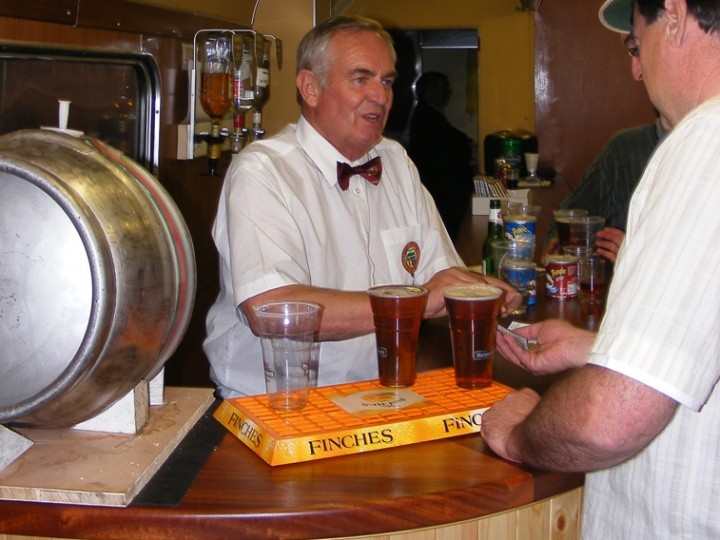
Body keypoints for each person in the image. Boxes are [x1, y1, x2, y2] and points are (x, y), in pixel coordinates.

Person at [481, 0, 720, 538]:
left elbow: (609, 420)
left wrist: (518, 434)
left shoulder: (706, 141)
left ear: (677, 16)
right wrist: (599, 350)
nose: (636, 69)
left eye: (637, 44)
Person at [203, 15, 520, 398]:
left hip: (382, 396)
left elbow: (441, 274)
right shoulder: (262, 171)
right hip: (277, 403)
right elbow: (272, 310)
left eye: (387, 81)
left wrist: (481, 294)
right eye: (361, 78)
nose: (381, 96)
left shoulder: (397, 162)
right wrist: (416, 302)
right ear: (310, 87)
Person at [545, 114, 668, 262]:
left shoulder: (701, 159)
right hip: (606, 281)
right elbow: (567, 218)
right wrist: (561, 244)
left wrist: (638, 258)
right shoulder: (626, 149)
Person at [408, 72, 475, 241]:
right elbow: (443, 151)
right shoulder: (425, 117)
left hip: (442, 187)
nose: (449, 92)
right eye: (443, 88)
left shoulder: (430, 114)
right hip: (439, 188)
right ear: (428, 91)